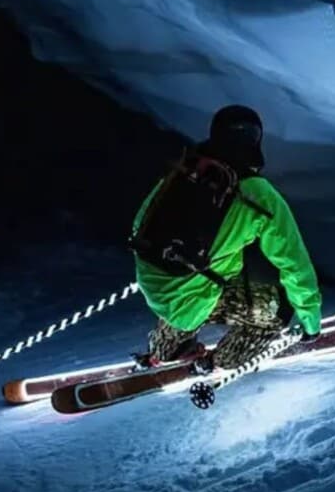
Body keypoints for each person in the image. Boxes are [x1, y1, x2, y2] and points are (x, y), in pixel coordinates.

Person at [130, 104, 322, 372]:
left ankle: (163, 350)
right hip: (197, 293)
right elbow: (295, 265)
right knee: (278, 309)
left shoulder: (186, 169)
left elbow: (141, 223)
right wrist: (311, 324)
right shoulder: (258, 193)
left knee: (193, 282)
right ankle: (217, 362)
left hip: (157, 284)